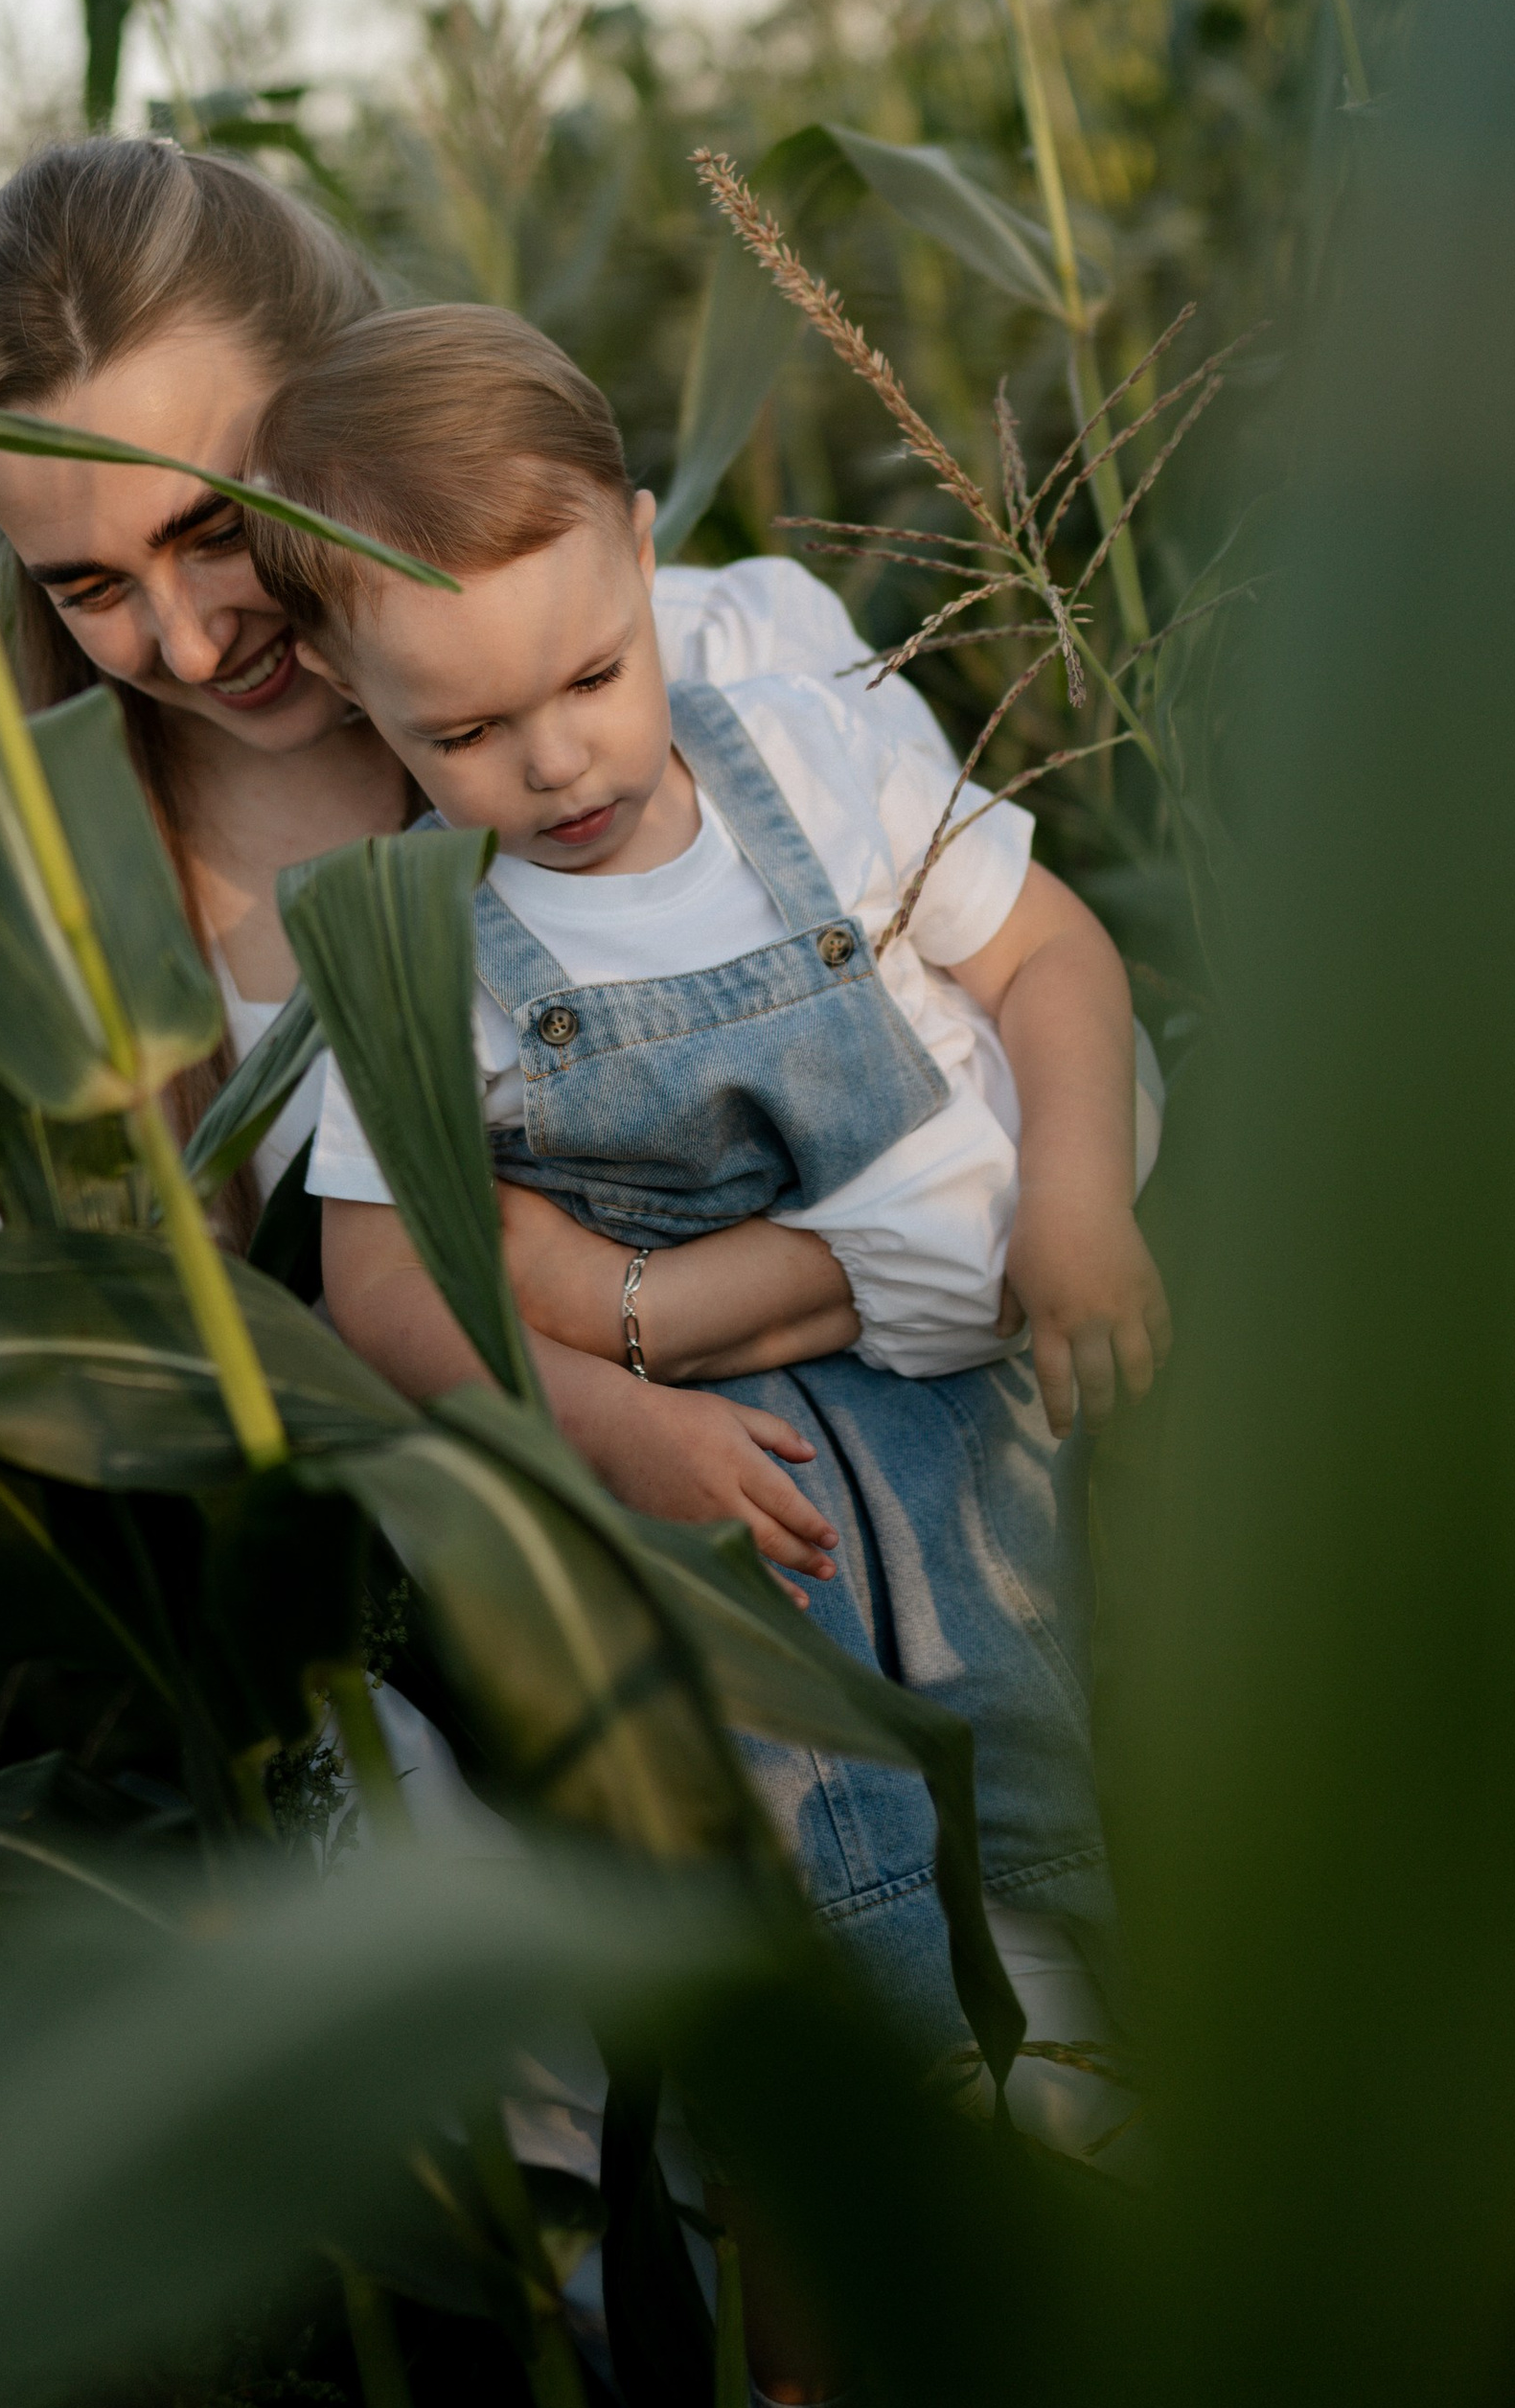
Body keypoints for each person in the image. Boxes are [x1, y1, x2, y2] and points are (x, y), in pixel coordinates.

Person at [0, 139, 951, 1569]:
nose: (183, 642)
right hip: (520, 1666)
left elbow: (1054, 1103)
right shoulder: (89, 874)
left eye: (218, 527)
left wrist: (636, 1309)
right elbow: (129, 1326)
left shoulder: (735, 668)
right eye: (94, 585)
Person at [244, 295, 1165, 2033]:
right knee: (822, 1848)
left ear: (646, 553)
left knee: (1040, 1767)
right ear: (346, 691)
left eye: (595, 673)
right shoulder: (411, 935)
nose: (557, 757)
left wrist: (1075, 1195)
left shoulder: (813, 763)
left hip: (960, 1415)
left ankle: (1086, 2093)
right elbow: (376, 1285)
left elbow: (1057, 960)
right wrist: (604, 1423)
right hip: (701, 1473)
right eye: (463, 733)